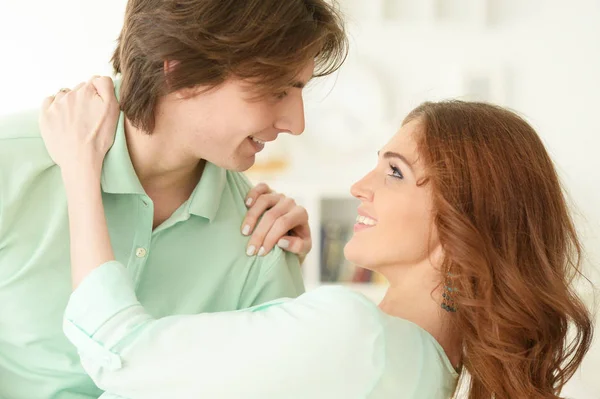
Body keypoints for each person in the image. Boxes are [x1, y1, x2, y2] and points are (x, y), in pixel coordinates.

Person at [40, 79, 594, 399]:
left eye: (394, 172)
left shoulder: (357, 335)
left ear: (460, 222)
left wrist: (79, 170)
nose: (361, 185)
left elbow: (119, 352)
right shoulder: (434, 371)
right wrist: (287, 280)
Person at [0, 0, 347, 397]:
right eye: (276, 90)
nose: (296, 124)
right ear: (181, 70)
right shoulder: (11, 164)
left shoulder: (262, 238)